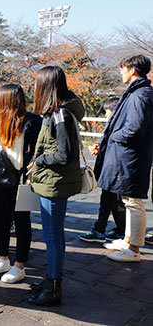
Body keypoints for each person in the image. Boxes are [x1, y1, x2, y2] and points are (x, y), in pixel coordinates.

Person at [27, 66, 85, 306]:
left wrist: (39, 159)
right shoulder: (61, 111)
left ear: (46, 86)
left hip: (54, 182)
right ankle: (50, 280)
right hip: (53, 181)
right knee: (54, 236)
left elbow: (64, 154)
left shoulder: (59, 114)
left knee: (52, 238)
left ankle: (53, 288)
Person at [93, 55, 153, 262]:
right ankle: (128, 240)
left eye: (123, 69)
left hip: (131, 157)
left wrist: (113, 136)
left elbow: (134, 128)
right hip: (129, 156)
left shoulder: (140, 94)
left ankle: (134, 249)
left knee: (133, 201)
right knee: (128, 200)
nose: (121, 73)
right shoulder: (138, 92)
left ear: (133, 70)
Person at [0, 84, 41, 284]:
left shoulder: (33, 121)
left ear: (9, 99)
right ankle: (3, 259)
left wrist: (32, 173)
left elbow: (37, 150)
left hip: (25, 180)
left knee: (22, 222)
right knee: (0, 220)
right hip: (0, 179)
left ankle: (20, 266)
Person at [79, 97, 126, 243]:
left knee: (114, 202)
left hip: (115, 170)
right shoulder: (116, 124)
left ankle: (106, 230)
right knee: (109, 201)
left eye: (107, 112)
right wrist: (100, 148)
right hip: (110, 168)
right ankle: (116, 230)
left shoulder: (120, 125)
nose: (105, 115)